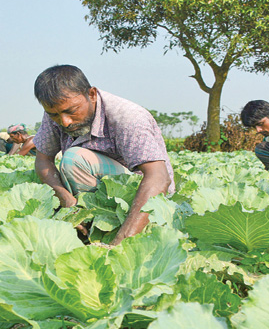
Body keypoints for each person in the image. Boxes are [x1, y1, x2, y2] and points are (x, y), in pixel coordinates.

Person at [32, 65, 174, 245]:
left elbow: (159, 178)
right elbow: (43, 159)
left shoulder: (128, 117)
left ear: (91, 94)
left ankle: (112, 231)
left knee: (74, 160)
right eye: (54, 115)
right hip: (104, 193)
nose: (65, 122)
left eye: (72, 111)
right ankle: (90, 227)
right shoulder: (58, 111)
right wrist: (64, 197)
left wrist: (121, 243)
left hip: (147, 199)